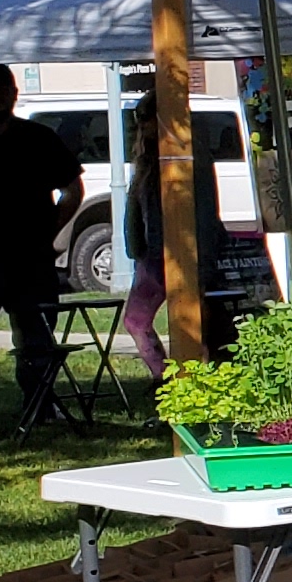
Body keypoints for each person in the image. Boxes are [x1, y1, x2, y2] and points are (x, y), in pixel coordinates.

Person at [0, 63, 81, 424]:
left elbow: (73, 190)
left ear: (15, 92)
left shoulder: (39, 136)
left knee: (37, 339)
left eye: (2, 88)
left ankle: (40, 407)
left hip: (31, 257)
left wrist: (52, 229)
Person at [117, 105, 232, 384]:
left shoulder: (191, 157)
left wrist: (201, 260)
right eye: (140, 121)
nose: (143, 127)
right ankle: (167, 377)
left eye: (147, 120)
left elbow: (204, 211)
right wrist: (136, 246)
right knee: (137, 320)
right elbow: (136, 209)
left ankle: (193, 381)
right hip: (153, 255)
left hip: (186, 254)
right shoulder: (147, 160)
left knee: (192, 323)